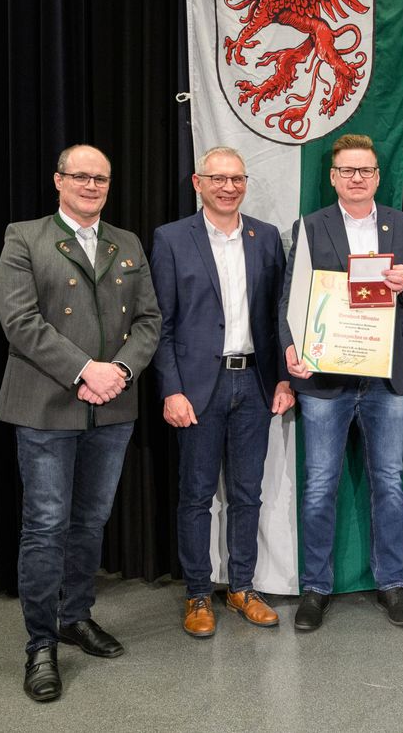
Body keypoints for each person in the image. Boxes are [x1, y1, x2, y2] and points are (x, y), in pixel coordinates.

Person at [0, 144, 161, 701]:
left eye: (101, 179)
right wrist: (86, 370)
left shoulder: (127, 242)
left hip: (111, 404)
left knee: (90, 521)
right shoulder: (25, 238)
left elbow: (149, 320)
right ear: (59, 180)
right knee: (46, 525)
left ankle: (76, 616)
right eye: (81, 176)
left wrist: (119, 371)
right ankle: (40, 645)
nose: (92, 186)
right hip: (46, 404)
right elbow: (20, 321)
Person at [278, 133, 403, 631]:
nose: (356, 178)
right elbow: (289, 300)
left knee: (389, 482)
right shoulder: (310, 226)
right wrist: (290, 350)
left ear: (377, 175)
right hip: (325, 380)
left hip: (386, 380)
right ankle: (316, 588)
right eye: (347, 171)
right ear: (333, 177)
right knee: (320, 485)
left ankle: (392, 584)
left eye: (365, 170)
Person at [149, 146, 296, 639]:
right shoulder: (171, 239)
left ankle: (242, 588)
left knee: (247, 493)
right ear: (198, 183)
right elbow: (161, 324)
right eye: (218, 178)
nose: (228, 187)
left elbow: (278, 316)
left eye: (236, 179)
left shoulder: (266, 237)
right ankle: (197, 592)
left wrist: (284, 377)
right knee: (196, 495)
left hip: (254, 383)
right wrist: (171, 390)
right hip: (198, 389)